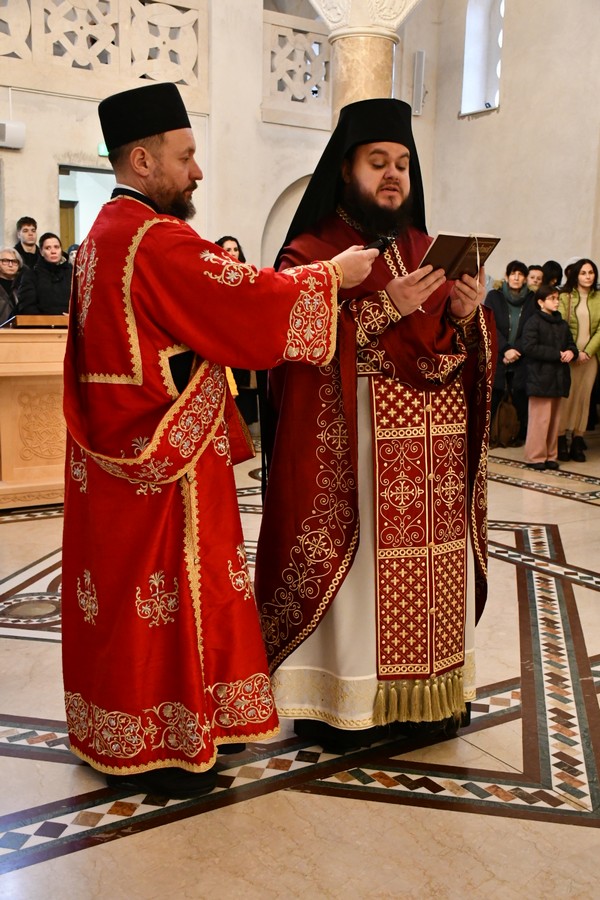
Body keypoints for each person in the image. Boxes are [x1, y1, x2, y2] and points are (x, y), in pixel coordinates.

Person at [61, 81, 378, 799]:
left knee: (117, 600)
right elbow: (241, 296)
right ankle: (170, 741)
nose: (197, 171)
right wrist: (330, 276)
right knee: (170, 594)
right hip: (166, 462)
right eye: (185, 157)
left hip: (109, 462)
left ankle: (123, 726)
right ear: (142, 160)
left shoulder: (99, 237)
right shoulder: (154, 238)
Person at [254, 98, 496, 752]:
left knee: (430, 581)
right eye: (378, 162)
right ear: (346, 169)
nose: (393, 176)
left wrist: (468, 316)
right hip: (356, 463)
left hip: (433, 471)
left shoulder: (427, 250)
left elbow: (453, 353)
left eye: (402, 164)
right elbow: (286, 345)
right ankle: (347, 700)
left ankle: (429, 699)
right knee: (360, 592)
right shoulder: (312, 251)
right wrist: (382, 307)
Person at [522, 284, 578, 470]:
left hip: (558, 377)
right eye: (552, 298)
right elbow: (529, 347)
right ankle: (535, 457)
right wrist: (557, 353)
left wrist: (571, 352)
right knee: (540, 420)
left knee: (554, 420)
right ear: (540, 302)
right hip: (540, 377)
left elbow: (571, 344)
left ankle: (550, 455)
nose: (556, 302)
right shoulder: (533, 322)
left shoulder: (562, 324)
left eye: (557, 298)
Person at [484, 259, 535, 443]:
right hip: (498, 353)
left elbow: (531, 328)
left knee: (520, 395)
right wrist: (505, 349)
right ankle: (487, 435)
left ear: (525, 279)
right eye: (513, 273)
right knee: (494, 395)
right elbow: (490, 325)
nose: (516, 277)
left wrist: (515, 350)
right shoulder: (494, 296)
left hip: (521, 355)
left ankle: (518, 435)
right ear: (506, 276)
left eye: (520, 274)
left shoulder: (532, 299)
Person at [556, 258, 600, 462]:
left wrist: (587, 352)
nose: (588, 276)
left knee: (584, 398)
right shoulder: (565, 297)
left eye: (591, 272)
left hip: (590, 358)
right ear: (575, 275)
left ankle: (577, 439)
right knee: (567, 398)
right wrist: (574, 352)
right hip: (570, 356)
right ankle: (560, 439)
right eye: (583, 273)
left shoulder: (598, 298)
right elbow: (560, 325)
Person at [215, 235, 259, 426]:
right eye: (228, 249)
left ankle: (245, 431)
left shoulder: (247, 274)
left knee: (245, 385)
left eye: (235, 249)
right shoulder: (215, 274)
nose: (233, 253)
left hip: (244, 336)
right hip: (224, 337)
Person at [18, 232, 73, 315]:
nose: (53, 251)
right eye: (48, 248)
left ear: (61, 250)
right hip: (41, 322)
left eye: (56, 247)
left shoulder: (72, 273)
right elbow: (27, 306)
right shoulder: (31, 275)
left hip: (70, 321)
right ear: (41, 252)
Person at [0, 247, 23, 324]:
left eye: (14, 261)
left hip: (19, 327)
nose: (10, 265)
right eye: (5, 261)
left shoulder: (22, 285)